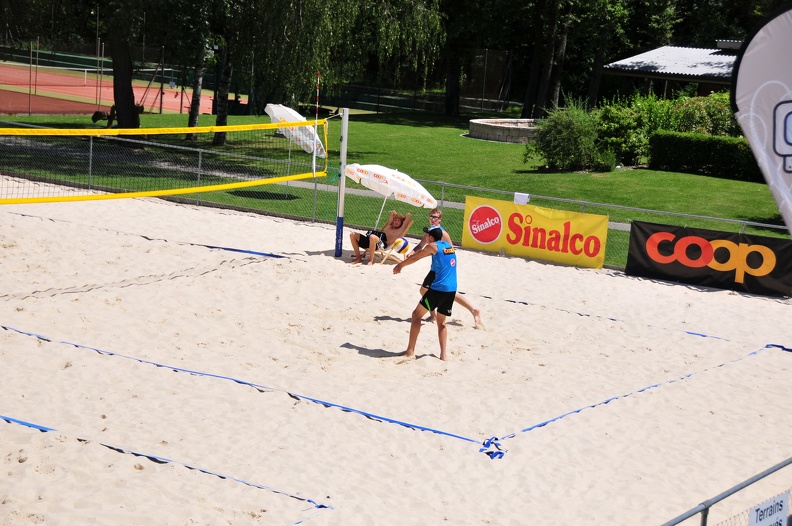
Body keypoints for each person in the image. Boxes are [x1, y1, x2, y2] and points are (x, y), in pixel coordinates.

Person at [406, 208, 483, 328]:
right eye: (431, 216)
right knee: (427, 291)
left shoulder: (442, 233)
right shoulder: (430, 231)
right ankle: (434, 314)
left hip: (442, 270)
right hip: (435, 268)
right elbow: (421, 245)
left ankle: (473, 310)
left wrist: (438, 257)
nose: (432, 219)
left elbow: (451, 250)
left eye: (435, 217)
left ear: (440, 219)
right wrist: (413, 251)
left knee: (439, 292)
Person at [393, 226, 456, 361]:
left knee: (416, 315)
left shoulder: (433, 247)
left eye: (427, 235)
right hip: (451, 290)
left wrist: (400, 265)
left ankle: (410, 351)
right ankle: (443, 355)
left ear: (432, 238)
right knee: (442, 322)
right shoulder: (449, 247)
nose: (425, 237)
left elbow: (416, 257)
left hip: (437, 290)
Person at [349, 210, 413, 265]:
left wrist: (402, 218)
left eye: (398, 220)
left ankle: (370, 260)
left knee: (372, 237)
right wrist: (397, 216)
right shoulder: (389, 226)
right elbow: (393, 212)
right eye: (395, 220)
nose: (396, 222)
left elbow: (408, 215)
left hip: (383, 245)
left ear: (401, 222)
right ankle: (358, 258)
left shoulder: (401, 230)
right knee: (353, 235)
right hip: (372, 241)